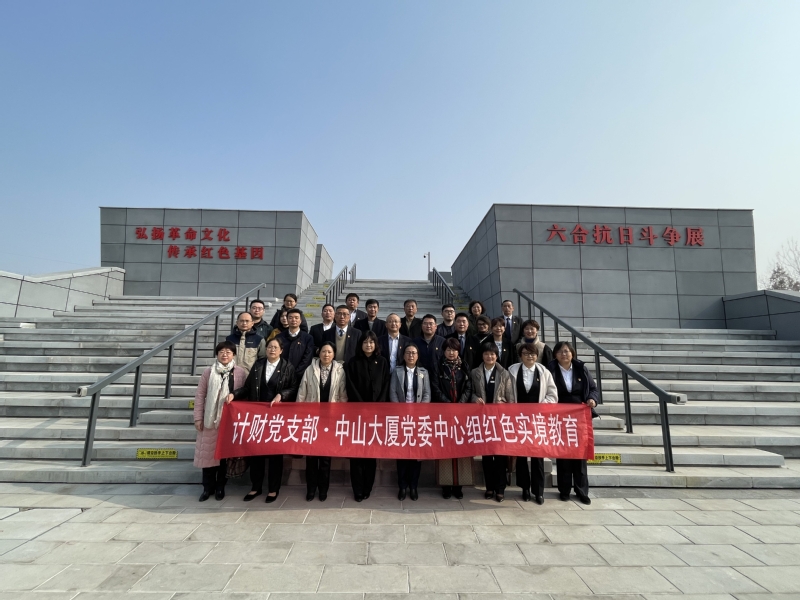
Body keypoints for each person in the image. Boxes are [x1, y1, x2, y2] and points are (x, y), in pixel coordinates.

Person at [232, 338, 298, 503]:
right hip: (258, 417)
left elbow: (293, 388)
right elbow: (248, 387)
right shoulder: (258, 365)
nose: (272, 350)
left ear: (281, 350)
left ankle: (273, 489)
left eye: (275, 347)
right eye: (269, 347)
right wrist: (234, 394)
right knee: (256, 452)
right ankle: (256, 487)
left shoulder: (287, 367)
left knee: (275, 454)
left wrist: (282, 395)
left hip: (277, 418)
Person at [193, 341, 247, 502]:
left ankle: (220, 487)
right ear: (217, 354)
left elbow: (244, 394)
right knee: (208, 456)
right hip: (209, 420)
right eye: (222, 352)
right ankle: (207, 488)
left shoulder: (240, 373)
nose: (225, 355)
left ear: (234, 355)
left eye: (228, 352)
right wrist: (198, 417)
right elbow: (200, 396)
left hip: (228, 421)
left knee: (224, 458)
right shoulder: (208, 372)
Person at [548, 340, 598, 505]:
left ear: (572, 353)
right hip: (559, 417)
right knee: (563, 454)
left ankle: (582, 490)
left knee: (580, 454)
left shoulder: (581, 368)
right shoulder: (550, 369)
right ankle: (564, 490)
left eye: (567, 351)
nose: (564, 354)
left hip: (580, 417)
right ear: (555, 355)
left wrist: (592, 399)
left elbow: (593, 389)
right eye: (560, 351)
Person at [297, 341, 348, 502]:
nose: (326, 354)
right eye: (324, 351)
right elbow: (302, 393)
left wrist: (341, 417)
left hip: (330, 420)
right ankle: (311, 489)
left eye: (330, 352)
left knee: (326, 458)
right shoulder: (310, 369)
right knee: (311, 457)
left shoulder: (339, 371)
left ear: (334, 354)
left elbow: (342, 395)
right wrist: (300, 415)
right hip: (312, 419)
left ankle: (323, 489)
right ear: (319, 353)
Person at [508, 343, 558, 504]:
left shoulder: (544, 372)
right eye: (526, 353)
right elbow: (507, 393)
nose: (529, 356)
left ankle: (539, 491)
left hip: (538, 420)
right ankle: (525, 488)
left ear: (537, 356)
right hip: (519, 420)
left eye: (532, 354)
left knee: (538, 456)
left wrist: (541, 407)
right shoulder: (512, 371)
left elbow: (552, 395)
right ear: (520, 355)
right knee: (521, 455)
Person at [345, 331, 390, 501]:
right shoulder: (353, 362)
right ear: (361, 344)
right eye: (365, 342)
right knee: (356, 454)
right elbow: (350, 385)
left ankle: (367, 488)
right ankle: (357, 489)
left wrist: (377, 406)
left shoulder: (383, 362)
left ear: (376, 344)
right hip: (357, 415)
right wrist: (361, 406)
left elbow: (386, 384)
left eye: (371, 342)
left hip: (376, 416)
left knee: (371, 453)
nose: (368, 345)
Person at [430, 338, 473, 500]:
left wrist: (460, 404)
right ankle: (446, 485)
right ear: (444, 351)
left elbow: (469, 387)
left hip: (461, 414)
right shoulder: (437, 366)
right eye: (448, 349)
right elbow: (435, 387)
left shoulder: (464, 366)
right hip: (444, 414)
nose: (451, 352)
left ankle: (459, 485)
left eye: (454, 350)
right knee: (445, 448)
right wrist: (448, 405)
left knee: (461, 448)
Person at [471, 344, 514, 502]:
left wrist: (508, 411)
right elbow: (471, 392)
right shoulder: (475, 372)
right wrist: (475, 399)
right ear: (482, 356)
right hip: (482, 419)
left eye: (492, 354)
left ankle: (500, 488)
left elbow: (510, 397)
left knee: (500, 456)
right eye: (486, 354)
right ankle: (489, 487)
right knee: (487, 456)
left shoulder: (504, 374)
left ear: (497, 356)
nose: (489, 357)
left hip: (499, 420)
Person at [389, 344, 431, 501]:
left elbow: (427, 394)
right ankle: (402, 487)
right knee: (402, 455)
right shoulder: (397, 371)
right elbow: (393, 392)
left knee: (415, 455)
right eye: (408, 353)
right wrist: (400, 412)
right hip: (401, 419)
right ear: (404, 355)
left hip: (418, 420)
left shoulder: (424, 372)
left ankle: (413, 486)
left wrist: (419, 412)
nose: (411, 355)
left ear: (418, 355)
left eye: (414, 353)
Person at [276, 308, 315, 378]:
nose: (293, 320)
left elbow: (307, 359)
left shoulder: (308, 338)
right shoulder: (279, 337)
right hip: (281, 374)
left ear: (300, 321)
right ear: (287, 320)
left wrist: (295, 373)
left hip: (300, 376)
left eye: (296, 318)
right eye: (290, 317)